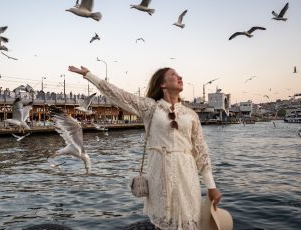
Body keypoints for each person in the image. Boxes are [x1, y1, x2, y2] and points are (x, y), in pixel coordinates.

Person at [68, 66, 221, 230]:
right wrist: (89, 75)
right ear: (162, 84)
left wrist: (211, 186)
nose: (180, 76)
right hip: (160, 172)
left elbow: (200, 151)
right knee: (163, 221)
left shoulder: (191, 114)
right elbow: (119, 95)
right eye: (173, 75)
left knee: (189, 220)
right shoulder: (151, 108)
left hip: (187, 173)